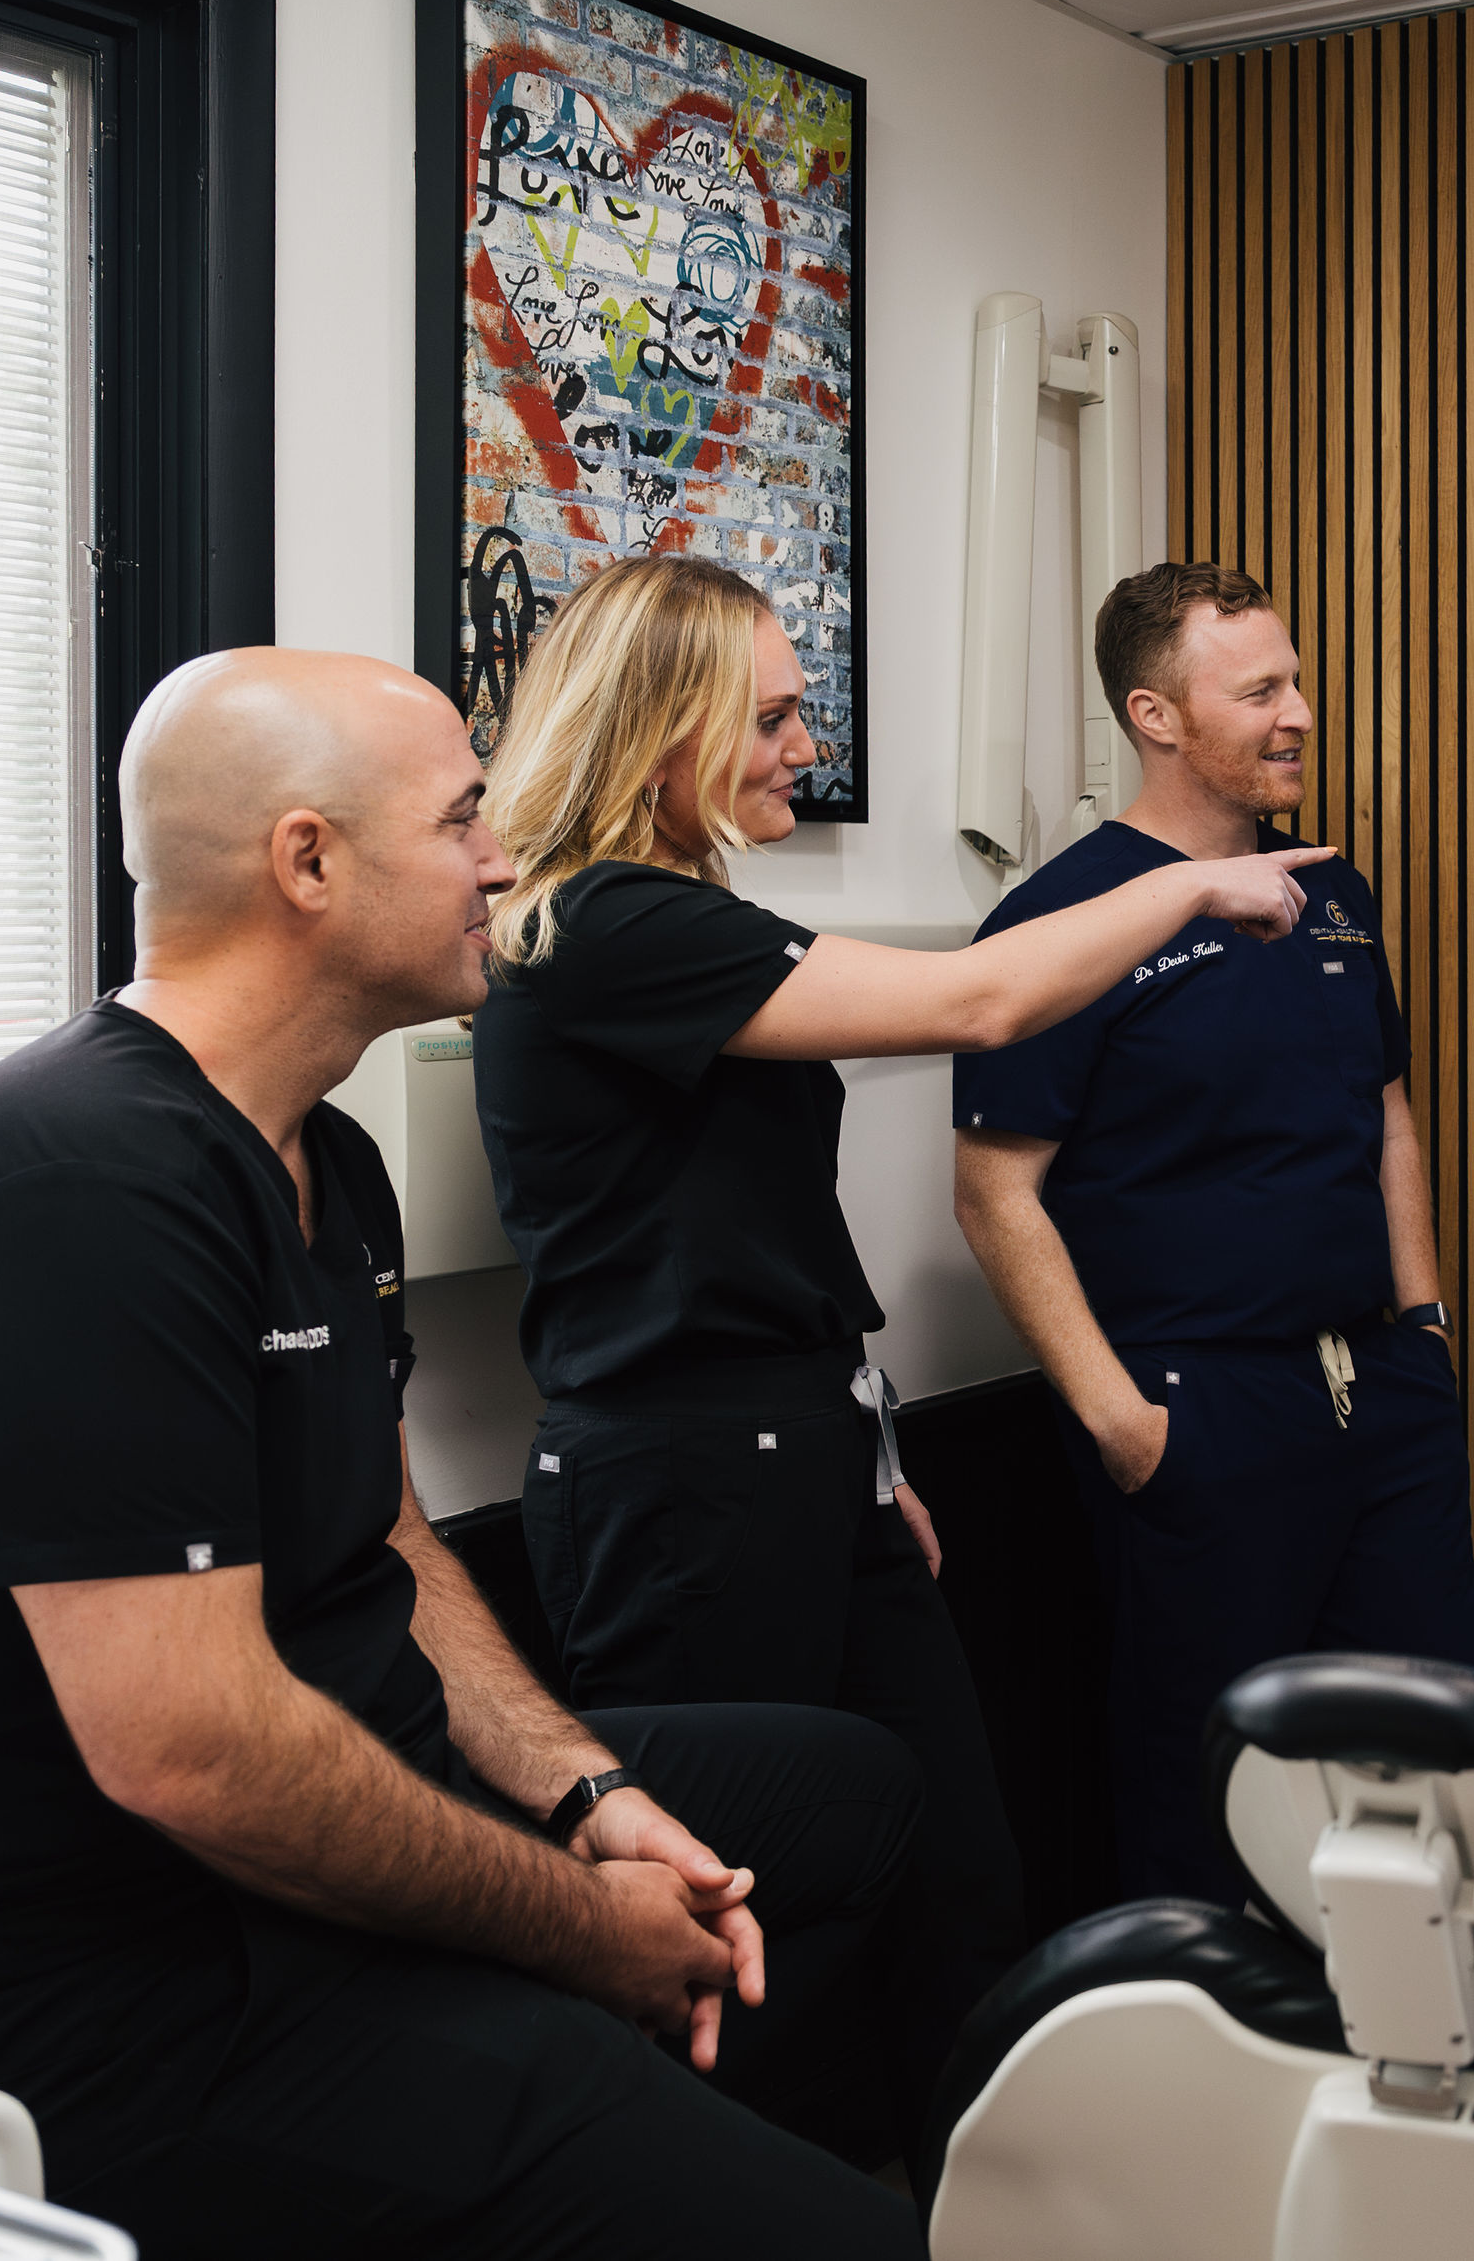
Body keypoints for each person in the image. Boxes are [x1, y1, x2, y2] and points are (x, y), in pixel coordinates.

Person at [0, 649, 931, 2257]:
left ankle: (652, 2138)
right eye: (465, 819)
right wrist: (578, 1931)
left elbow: (389, 1546)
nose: (506, 862)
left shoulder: (325, 1154)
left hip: (353, 1821)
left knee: (860, 1794)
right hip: (160, 1997)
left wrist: (589, 1793)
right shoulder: (70, 1191)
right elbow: (195, 1754)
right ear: (308, 861)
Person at [468, 554, 1332, 2146]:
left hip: (807, 1459)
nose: (809, 746)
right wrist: (1191, 885)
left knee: (953, 1884)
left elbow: (774, 1234)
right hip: (680, 1489)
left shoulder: (692, 913)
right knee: (738, 1919)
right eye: (778, 718)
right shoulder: (600, 924)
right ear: (662, 729)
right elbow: (981, 1002)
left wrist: (870, 1454)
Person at [952, 562, 1474, 1902]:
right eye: (1260, 690)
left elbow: (1388, 1115)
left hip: (1380, 1392)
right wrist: (1121, 1422)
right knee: (1216, 1795)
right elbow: (993, 1190)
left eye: (1295, 680)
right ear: (1158, 715)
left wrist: (1423, 1323)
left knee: (1435, 1760)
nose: (1299, 711)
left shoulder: (1333, 891)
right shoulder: (1062, 923)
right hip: (1199, 1414)